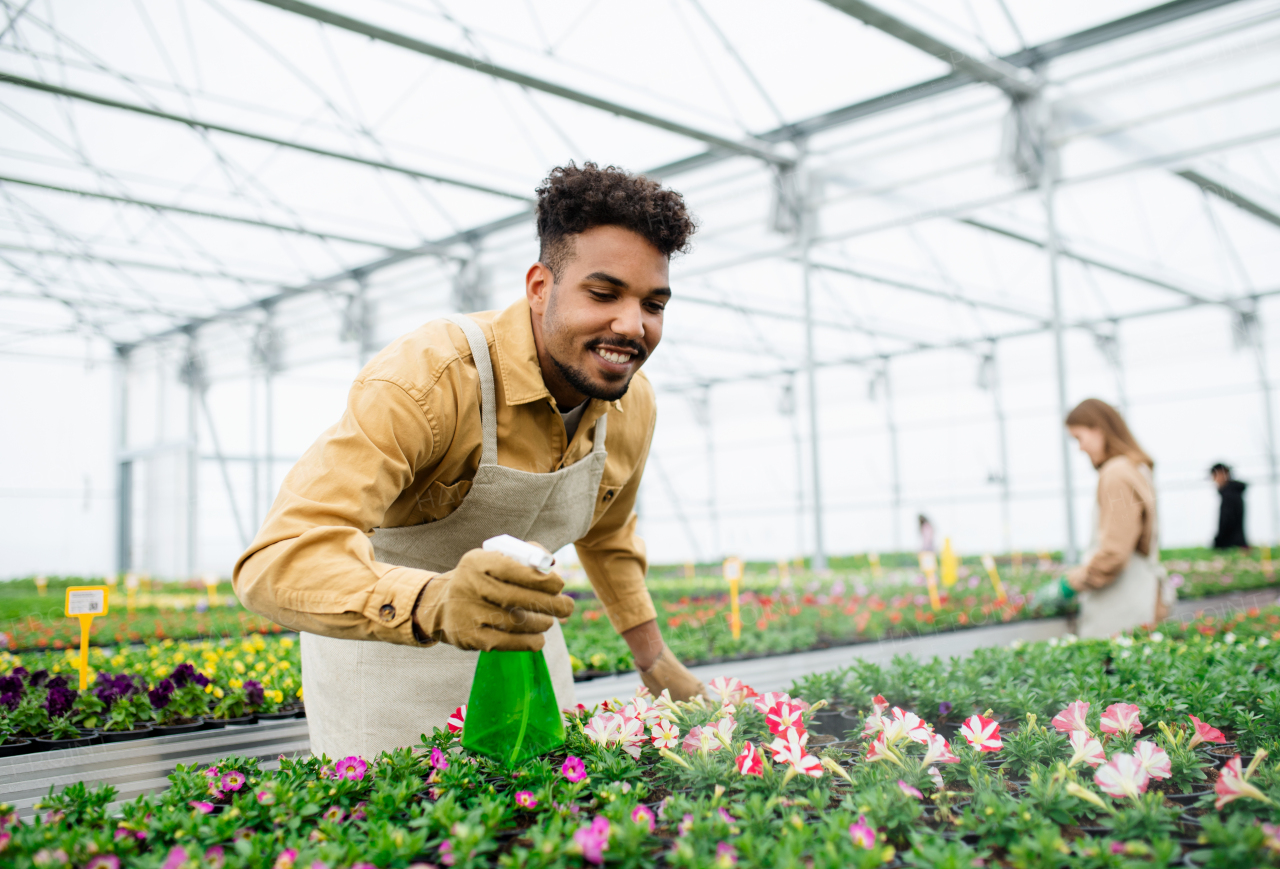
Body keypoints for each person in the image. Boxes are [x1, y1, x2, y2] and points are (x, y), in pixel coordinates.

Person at [233, 163, 705, 759]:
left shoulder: (631, 404)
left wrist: (655, 660)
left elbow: (608, 537)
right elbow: (275, 561)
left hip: (528, 667)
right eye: (604, 293)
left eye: (653, 304)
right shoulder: (431, 378)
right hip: (387, 677)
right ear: (539, 287)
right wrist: (435, 602)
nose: (632, 325)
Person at [1032, 398, 1172, 638]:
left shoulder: (1116, 474)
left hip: (1118, 605)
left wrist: (1068, 584)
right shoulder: (1136, 468)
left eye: (1079, 438)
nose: (1080, 448)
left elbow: (1114, 554)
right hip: (1139, 595)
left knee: (1110, 669)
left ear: (1099, 430)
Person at [1210, 463, 1248, 549]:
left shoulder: (1230, 494)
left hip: (1231, 545)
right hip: (1236, 543)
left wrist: (1219, 542)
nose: (1215, 480)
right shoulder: (1232, 492)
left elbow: (1227, 521)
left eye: (1216, 475)